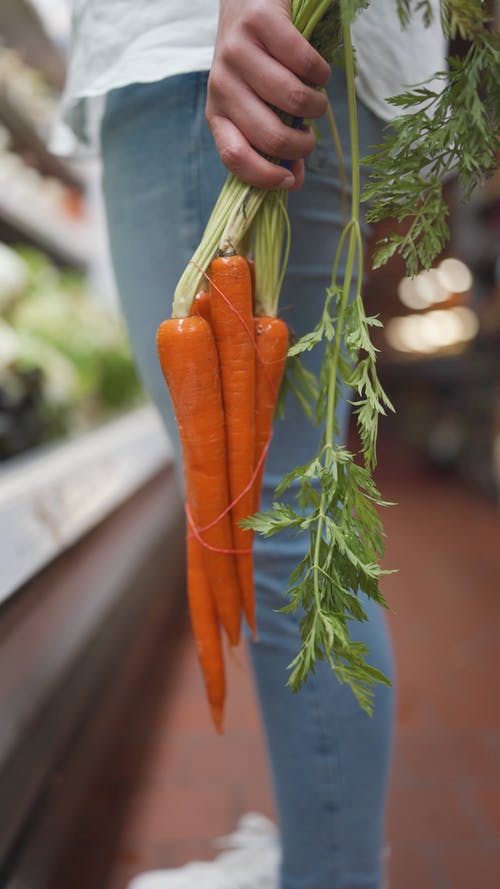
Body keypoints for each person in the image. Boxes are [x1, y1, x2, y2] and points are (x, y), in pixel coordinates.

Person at [60, 2, 446, 887]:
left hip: (203, 60)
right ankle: (326, 856)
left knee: (281, 535)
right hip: (263, 59)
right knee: (297, 527)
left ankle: (333, 871)